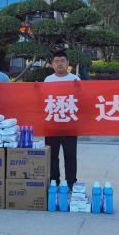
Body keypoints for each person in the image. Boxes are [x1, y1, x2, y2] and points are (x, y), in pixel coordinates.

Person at [44, 50, 80, 189]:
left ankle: (71, 182)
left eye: (62, 61)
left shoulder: (75, 79)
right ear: (52, 64)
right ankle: (54, 181)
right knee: (52, 155)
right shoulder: (48, 80)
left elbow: (81, 99)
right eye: (56, 61)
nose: (59, 64)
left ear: (68, 63)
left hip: (69, 125)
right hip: (52, 124)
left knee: (70, 155)